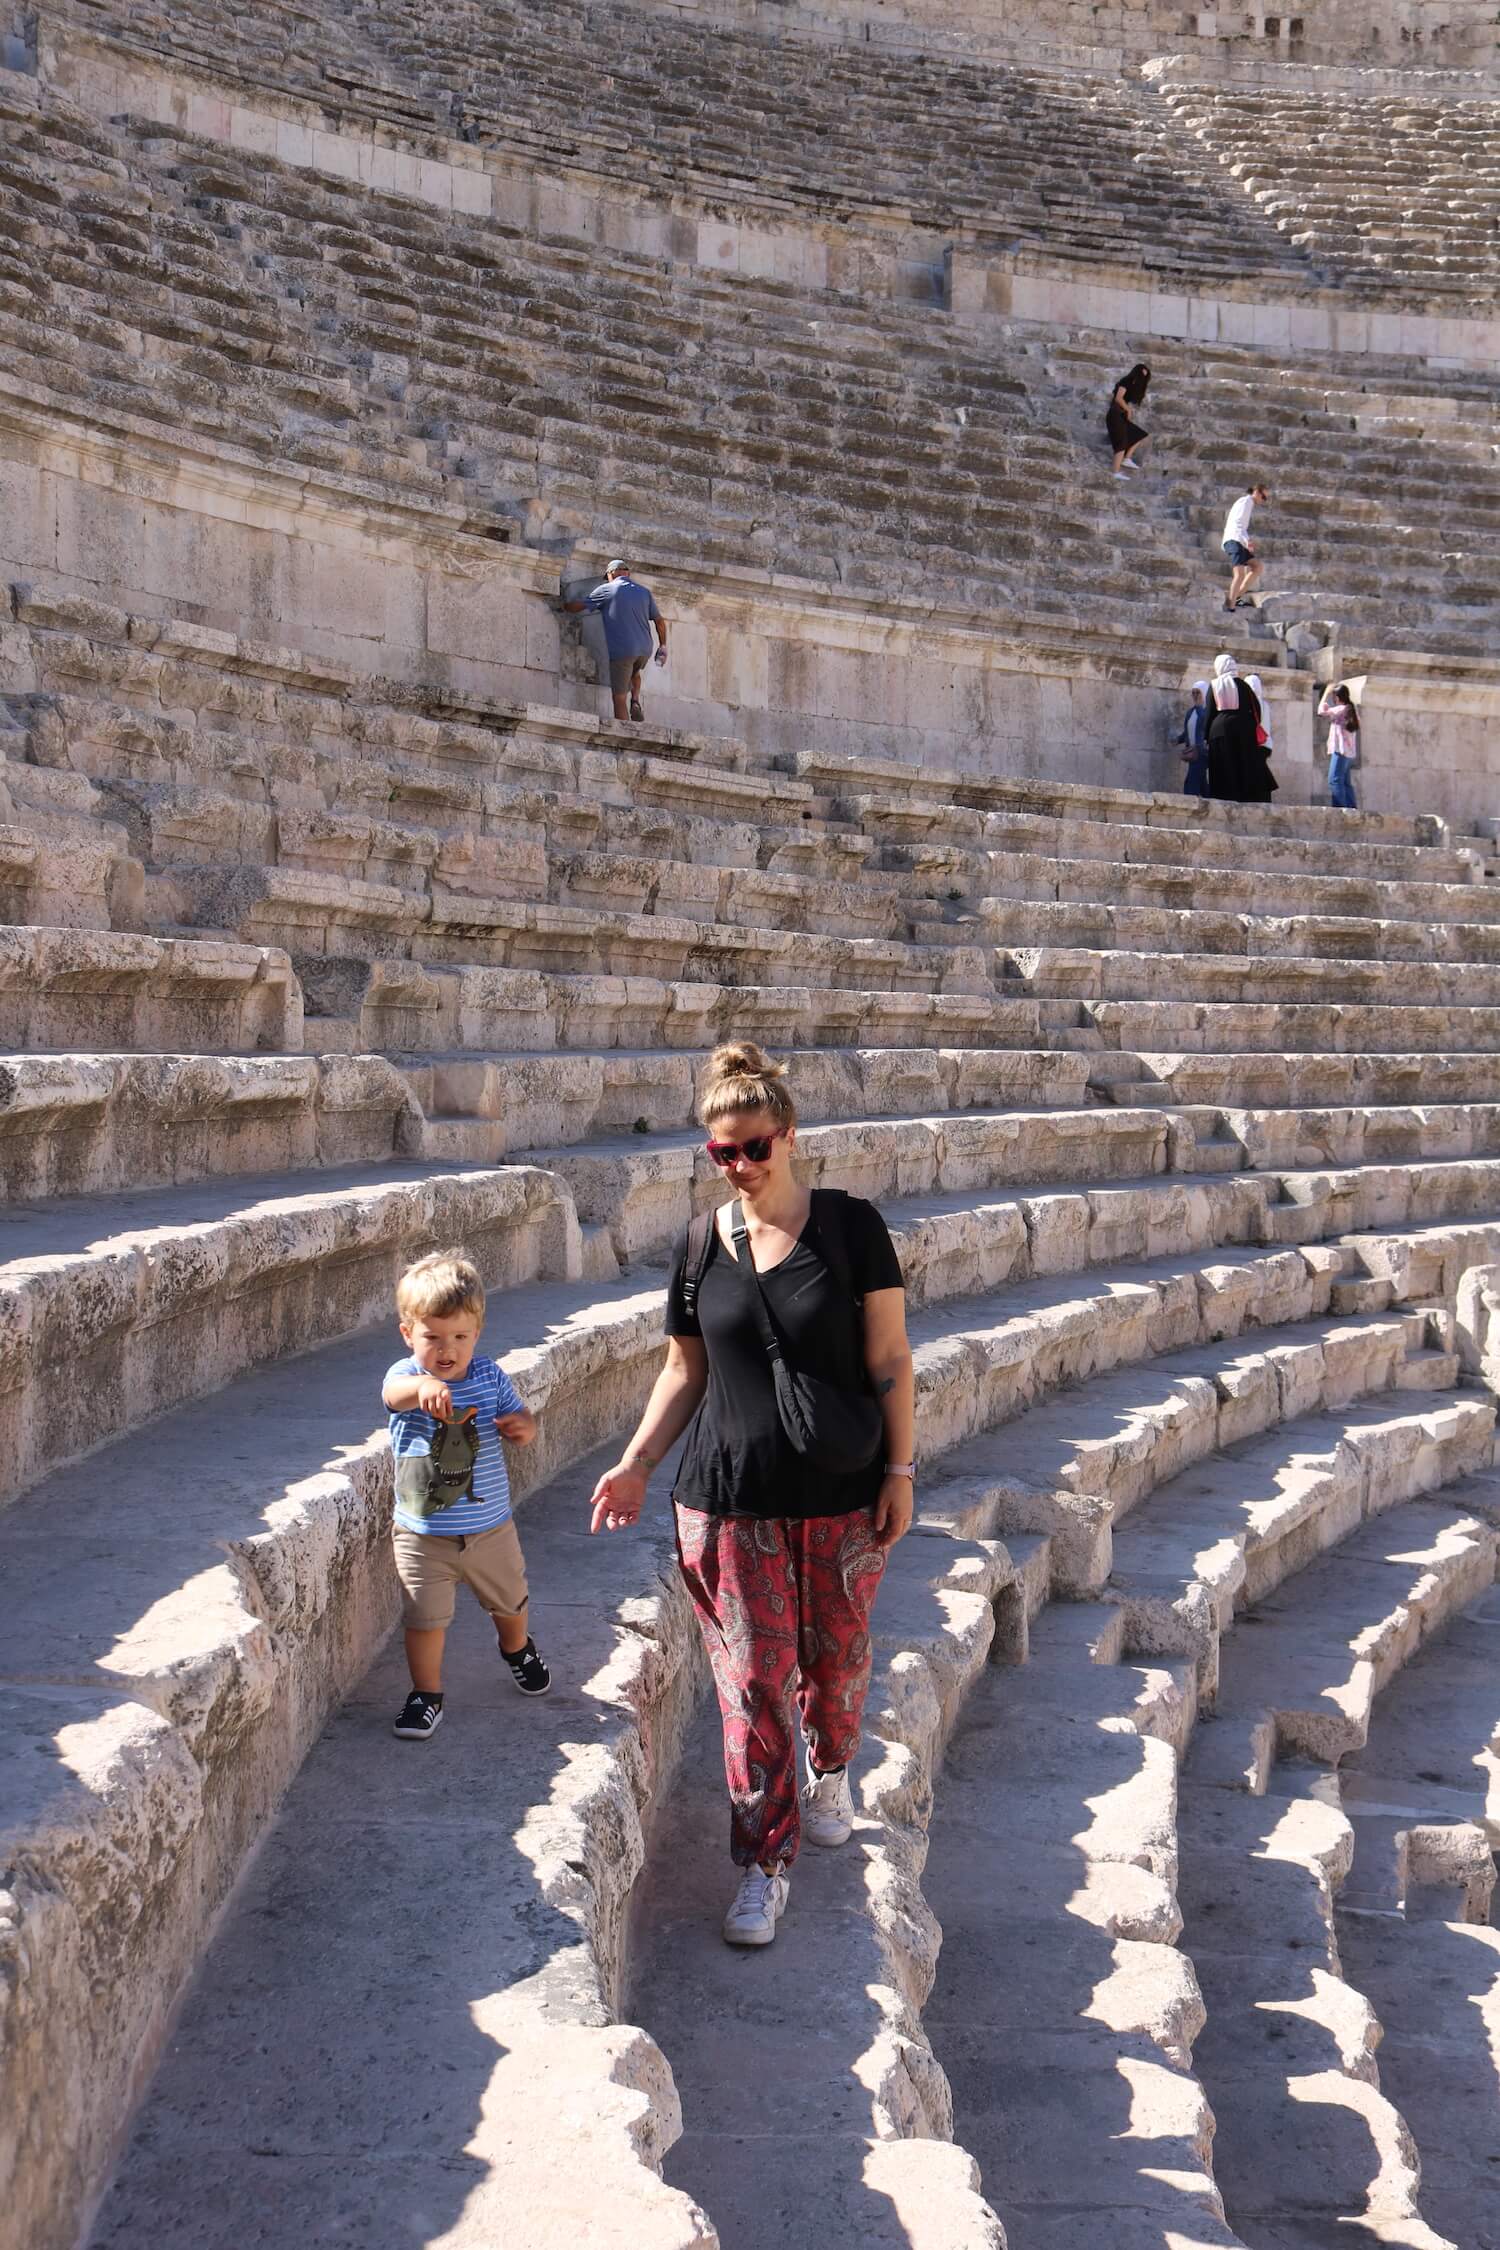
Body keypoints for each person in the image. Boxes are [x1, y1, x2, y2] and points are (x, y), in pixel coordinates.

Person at [588, 1042, 915, 1950]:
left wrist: (901, 1473)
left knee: (838, 1667)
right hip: (726, 1499)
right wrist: (638, 1460)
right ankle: (762, 1863)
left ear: (789, 1137)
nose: (738, 1167)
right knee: (754, 1684)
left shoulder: (852, 1228)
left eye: (753, 1148)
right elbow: (682, 1371)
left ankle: (833, 1767)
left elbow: (890, 1358)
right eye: (720, 1153)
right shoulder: (699, 1244)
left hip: (842, 1494)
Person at [383, 1248, 548, 1739]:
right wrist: (421, 1389)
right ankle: (425, 1694)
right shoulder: (404, 1376)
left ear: (477, 1333)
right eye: (432, 1337)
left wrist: (524, 1427)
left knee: (510, 1602)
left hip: (490, 1529)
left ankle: (516, 1648)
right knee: (424, 1618)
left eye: (459, 1336)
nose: (446, 1349)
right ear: (408, 1334)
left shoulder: (488, 1376)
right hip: (422, 1535)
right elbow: (392, 1397)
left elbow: (519, 1418)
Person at [562, 559, 668, 724]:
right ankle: (635, 700)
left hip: (623, 650)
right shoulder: (644, 592)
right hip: (645, 649)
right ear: (628, 573)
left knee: (618, 698)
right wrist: (663, 646)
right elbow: (659, 622)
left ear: (611, 574)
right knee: (635, 672)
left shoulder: (607, 589)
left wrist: (564, 606)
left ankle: (625, 730)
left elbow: (580, 605)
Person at [1205, 651, 1271, 803]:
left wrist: (1205, 735)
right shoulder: (1245, 686)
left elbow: (1209, 712)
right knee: (1241, 765)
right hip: (1245, 732)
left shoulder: (1215, 685)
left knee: (1223, 766)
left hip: (1220, 730)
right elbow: (1256, 710)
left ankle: (1222, 797)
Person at [1221, 483, 1269, 612]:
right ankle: (1231, 606)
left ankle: (1236, 598)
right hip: (1234, 540)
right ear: (1257, 492)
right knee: (1239, 574)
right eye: (1264, 497)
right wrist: (1247, 541)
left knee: (1257, 567)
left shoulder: (1248, 503)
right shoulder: (1246, 502)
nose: (1263, 500)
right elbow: (1237, 523)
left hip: (1239, 541)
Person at [1319, 683, 1361, 809]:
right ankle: (1351, 808)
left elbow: (1321, 711)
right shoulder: (1351, 710)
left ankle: (1340, 809)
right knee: (1345, 782)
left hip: (1340, 751)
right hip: (1349, 752)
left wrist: (1325, 693)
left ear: (1337, 697)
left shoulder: (1340, 709)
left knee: (1334, 780)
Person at [1106, 363, 1151, 477]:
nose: (1143, 378)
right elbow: (1118, 398)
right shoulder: (1126, 381)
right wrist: (1129, 410)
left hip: (1120, 415)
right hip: (1115, 414)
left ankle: (1127, 459)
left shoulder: (1134, 386)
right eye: (1141, 375)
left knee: (1138, 434)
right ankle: (1115, 472)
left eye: (1145, 377)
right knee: (1121, 443)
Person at [1175, 683, 1210, 796]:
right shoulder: (1190, 712)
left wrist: (1200, 706)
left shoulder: (1206, 711)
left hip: (1201, 753)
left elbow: (1205, 725)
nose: (1195, 695)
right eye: (1193, 693)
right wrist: (1177, 740)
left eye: (1198, 692)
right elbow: (1187, 733)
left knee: (1191, 782)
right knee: (1201, 783)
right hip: (1192, 753)